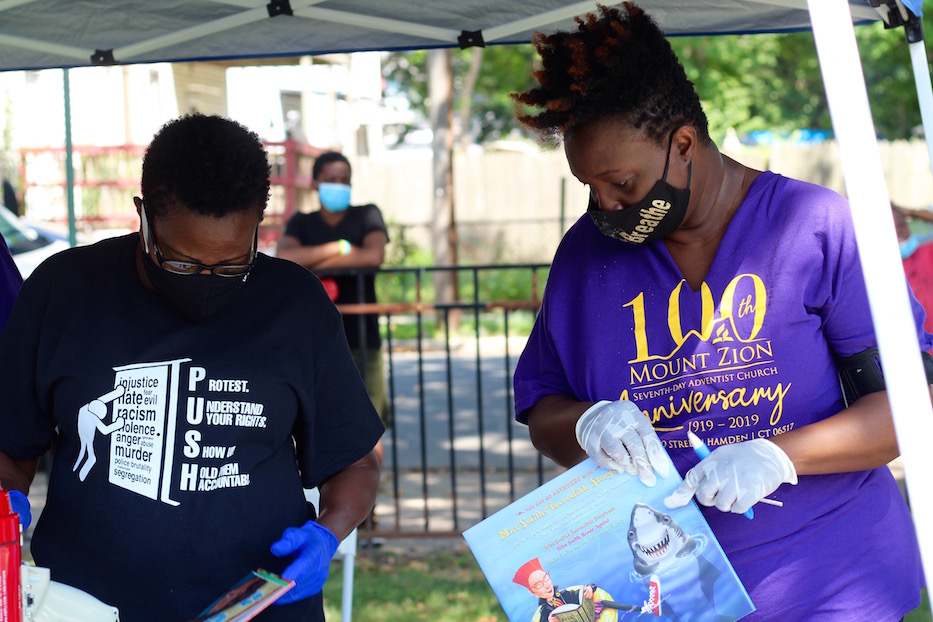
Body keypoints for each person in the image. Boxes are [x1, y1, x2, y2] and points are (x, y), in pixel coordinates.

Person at [510, 4, 929, 621]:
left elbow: (909, 408)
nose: (606, 205)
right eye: (590, 187)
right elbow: (543, 406)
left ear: (683, 142)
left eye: (622, 184)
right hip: (663, 594)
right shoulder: (585, 257)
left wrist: (781, 455)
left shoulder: (814, 227)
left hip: (831, 585)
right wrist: (586, 424)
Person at [0, 113, 383, 621]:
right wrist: (6, 499)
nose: (205, 280)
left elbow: (354, 462)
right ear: (143, 216)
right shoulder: (64, 291)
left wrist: (326, 532)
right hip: (88, 606)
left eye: (231, 265)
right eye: (180, 262)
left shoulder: (295, 304)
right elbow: (10, 448)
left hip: (258, 608)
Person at [275, 152, 390, 469]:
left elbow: (372, 256)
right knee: (322, 424)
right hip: (315, 341)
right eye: (331, 179)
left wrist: (313, 258)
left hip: (362, 337)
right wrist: (339, 248)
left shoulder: (367, 215)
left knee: (371, 423)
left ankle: (369, 511)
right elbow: (285, 258)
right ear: (315, 183)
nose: (339, 185)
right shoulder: (302, 222)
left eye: (344, 179)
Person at [893, 203, 933, 338]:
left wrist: (912, 212)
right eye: (890, 228)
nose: (898, 232)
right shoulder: (875, 272)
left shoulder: (926, 253)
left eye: (901, 225)